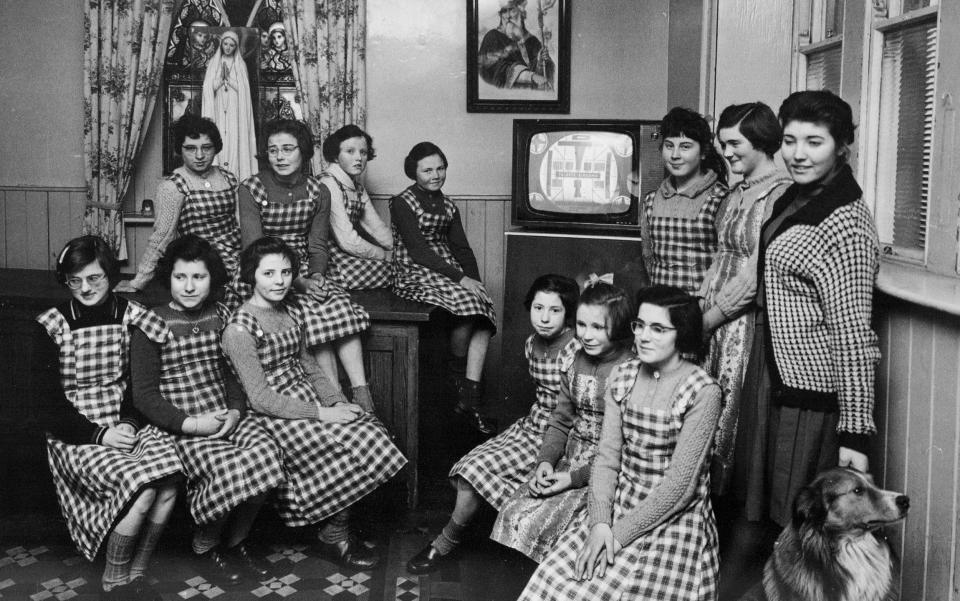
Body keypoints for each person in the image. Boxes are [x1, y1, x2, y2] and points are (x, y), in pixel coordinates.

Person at [723, 90, 881, 596]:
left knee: (798, 525)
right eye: (790, 140)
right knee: (759, 515)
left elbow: (854, 333)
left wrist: (855, 435)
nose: (798, 153)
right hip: (771, 377)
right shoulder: (798, 195)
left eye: (815, 141)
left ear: (843, 147)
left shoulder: (846, 223)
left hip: (809, 398)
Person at [518, 285, 722, 601]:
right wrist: (600, 524)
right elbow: (607, 458)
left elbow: (679, 489)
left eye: (658, 328)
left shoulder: (703, 392)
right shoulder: (623, 376)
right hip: (616, 503)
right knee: (553, 585)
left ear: (681, 333)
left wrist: (616, 537)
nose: (643, 336)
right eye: (640, 325)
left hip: (675, 517)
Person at [222, 236, 407, 570]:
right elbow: (261, 399)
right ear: (251, 276)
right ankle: (334, 535)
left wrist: (338, 401)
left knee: (372, 429)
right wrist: (325, 414)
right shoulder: (239, 329)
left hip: (306, 397)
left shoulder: (290, 310)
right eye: (269, 274)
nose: (279, 281)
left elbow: (310, 366)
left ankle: (335, 529)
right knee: (352, 441)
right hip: (274, 415)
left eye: (286, 272)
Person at [130, 235, 285, 585]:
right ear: (167, 278)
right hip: (179, 422)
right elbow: (144, 396)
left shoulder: (222, 314)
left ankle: (237, 540)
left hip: (223, 411)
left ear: (211, 280)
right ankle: (205, 545)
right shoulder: (150, 323)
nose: (188, 287)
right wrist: (191, 424)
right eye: (180, 277)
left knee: (268, 454)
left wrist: (234, 411)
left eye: (198, 278)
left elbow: (232, 374)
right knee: (229, 467)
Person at [35, 236, 182, 601]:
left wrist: (129, 423)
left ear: (111, 277)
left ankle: (137, 574)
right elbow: (47, 406)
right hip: (77, 433)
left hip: (124, 421)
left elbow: (138, 383)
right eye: (75, 280)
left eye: (95, 278)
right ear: (65, 280)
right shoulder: (51, 325)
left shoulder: (130, 314)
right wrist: (100, 435)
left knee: (170, 480)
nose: (85, 288)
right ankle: (114, 581)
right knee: (143, 487)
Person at [406, 274, 580, 574]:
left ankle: (448, 541)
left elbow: (575, 412)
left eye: (555, 310)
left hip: (565, 436)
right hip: (532, 426)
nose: (545, 318)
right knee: (470, 468)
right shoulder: (531, 344)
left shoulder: (578, 348)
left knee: (531, 494)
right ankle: (455, 536)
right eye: (538, 308)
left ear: (569, 314)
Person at [489, 278, 635, 562]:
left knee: (563, 532)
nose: (587, 335)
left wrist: (572, 479)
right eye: (582, 325)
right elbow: (560, 420)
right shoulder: (573, 361)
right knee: (515, 512)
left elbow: (624, 450)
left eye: (598, 327)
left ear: (617, 327)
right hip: (570, 457)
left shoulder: (629, 370)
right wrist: (545, 461)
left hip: (608, 469)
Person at [238, 119, 378, 411]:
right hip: (267, 271)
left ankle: (362, 393)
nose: (280, 156)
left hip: (303, 268)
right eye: (273, 150)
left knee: (338, 304)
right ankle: (335, 397)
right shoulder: (250, 188)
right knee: (311, 317)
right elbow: (254, 247)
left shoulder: (318, 190)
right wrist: (298, 282)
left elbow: (317, 245)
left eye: (288, 149)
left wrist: (316, 275)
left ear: (303, 151)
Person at [699, 102, 792, 496]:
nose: (727, 152)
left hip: (742, 326)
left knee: (732, 422)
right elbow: (720, 255)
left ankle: (728, 513)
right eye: (722, 144)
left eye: (734, 143)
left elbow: (756, 274)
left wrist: (709, 318)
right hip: (714, 320)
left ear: (761, 140)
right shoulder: (736, 191)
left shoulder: (782, 194)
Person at [390, 142, 498, 434]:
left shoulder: (448, 204)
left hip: (446, 268)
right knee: (467, 305)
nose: (435, 175)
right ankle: (457, 377)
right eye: (427, 170)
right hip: (415, 268)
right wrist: (461, 280)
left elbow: (461, 248)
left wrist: (476, 282)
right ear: (414, 172)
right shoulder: (403, 202)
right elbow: (419, 250)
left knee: (482, 308)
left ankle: (469, 396)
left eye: (440, 168)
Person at [115, 115, 244, 309]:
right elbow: (162, 237)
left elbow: (242, 224)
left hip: (237, 257)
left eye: (206, 147)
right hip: (201, 261)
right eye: (190, 148)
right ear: (179, 150)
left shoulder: (228, 178)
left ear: (216, 148)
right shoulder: (173, 185)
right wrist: (139, 281)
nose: (199, 155)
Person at [641, 106, 729, 294]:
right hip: (659, 309)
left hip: (701, 311)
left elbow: (725, 262)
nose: (675, 155)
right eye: (669, 145)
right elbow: (648, 258)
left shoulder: (721, 198)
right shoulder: (650, 201)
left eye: (685, 147)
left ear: (703, 152)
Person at [320, 125, 393, 289]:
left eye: (364, 152)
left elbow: (377, 228)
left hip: (346, 251)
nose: (359, 158)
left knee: (400, 267)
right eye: (350, 151)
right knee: (391, 272)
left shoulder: (357, 188)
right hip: (327, 255)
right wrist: (383, 255)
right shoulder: (328, 183)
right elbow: (346, 240)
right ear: (336, 156)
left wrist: (399, 251)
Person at [202, 30, 258, 181]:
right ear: (221, 45)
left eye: (231, 45)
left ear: (236, 47)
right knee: (219, 138)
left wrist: (230, 80)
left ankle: (235, 175)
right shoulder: (214, 63)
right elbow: (208, 88)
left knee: (234, 141)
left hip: (234, 111)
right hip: (219, 109)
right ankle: (218, 176)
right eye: (225, 44)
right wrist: (220, 79)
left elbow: (244, 91)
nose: (228, 47)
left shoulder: (240, 64)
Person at [478, 0, 553, 89]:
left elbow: (548, 71)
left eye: (512, 10)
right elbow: (494, 69)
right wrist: (530, 76)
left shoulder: (532, 41)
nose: (508, 16)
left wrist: (540, 62)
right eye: (504, 11)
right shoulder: (492, 36)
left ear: (522, 13)